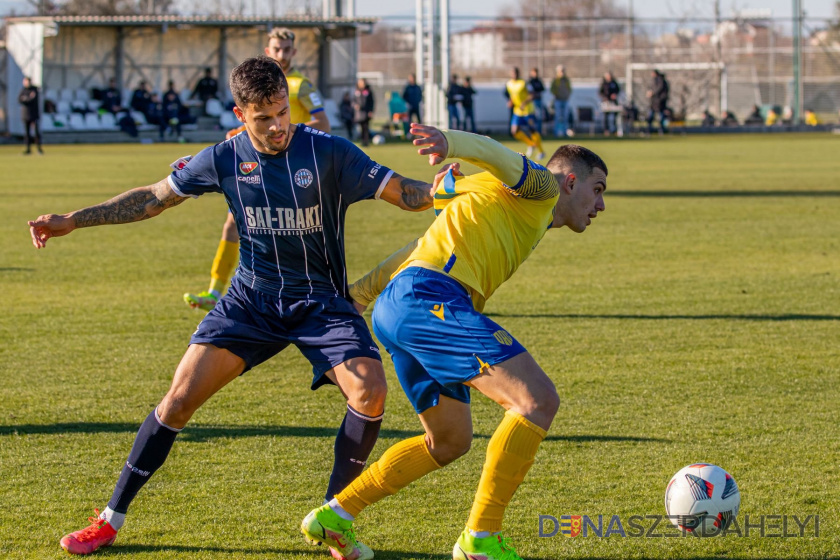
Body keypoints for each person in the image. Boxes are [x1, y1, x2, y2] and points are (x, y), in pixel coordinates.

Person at [30, 55, 438, 557]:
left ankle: (335, 517)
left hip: (321, 302)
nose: (277, 125)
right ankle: (109, 519)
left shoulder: (329, 152)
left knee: (370, 392)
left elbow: (405, 192)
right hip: (251, 301)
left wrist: (448, 191)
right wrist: (74, 219)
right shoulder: (224, 157)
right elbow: (153, 198)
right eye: (263, 117)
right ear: (239, 114)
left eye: (282, 112)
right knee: (178, 400)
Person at [301, 122, 607, 560]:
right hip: (431, 299)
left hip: (401, 305)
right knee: (536, 401)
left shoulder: (497, 199)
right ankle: (479, 539)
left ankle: (335, 515)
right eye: (597, 190)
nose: (600, 204)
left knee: (449, 441)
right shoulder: (542, 188)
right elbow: (497, 153)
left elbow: (420, 244)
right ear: (571, 181)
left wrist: (360, 295)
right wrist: (451, 142)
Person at [184, 26, 332, 312]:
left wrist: (284, 133)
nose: (282, 54)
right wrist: (242, 132)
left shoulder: (300, 85)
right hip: (257, 164)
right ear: (267, 51)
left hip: (291, 168)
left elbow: (323, 123)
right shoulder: (255, 84)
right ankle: (216, 290)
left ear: (294, 52)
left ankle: (308, 290)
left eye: (287, 49)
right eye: (276, 49)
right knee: (234, 223)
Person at [505, 66, 545, 159]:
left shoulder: (524, 83)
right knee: (514, 132)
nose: (514, 75)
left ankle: (541, 151)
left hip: (528, 110)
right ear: (511, 74)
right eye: (512, 73)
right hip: (517, 111)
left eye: (515, 73)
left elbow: (533, 94)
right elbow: (513, 94)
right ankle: (531, 144)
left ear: (518, 74)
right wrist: (510, 101)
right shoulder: (509, 84)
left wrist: (524, 103)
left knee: (532, 130)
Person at [18, 76, 43, 155]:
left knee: (36, 132)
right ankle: (28, 149)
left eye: (26, 81)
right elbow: (19, 100)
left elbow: (32, 100)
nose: (25, 83)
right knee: (27, 133)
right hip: (25, 115)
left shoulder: (34, 90)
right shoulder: (23, 90)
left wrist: (25, 99)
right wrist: (27, 98)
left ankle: (39, 149)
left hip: (33, 114)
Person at [550, 64, 572, 138]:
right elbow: (552, 89)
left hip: (565, 100)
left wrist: (567, 96)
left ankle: (565, 132)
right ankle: (556, 132)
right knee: (558, 117)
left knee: (565, 117)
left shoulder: (566, 80)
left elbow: (569, 89)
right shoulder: (556, 80)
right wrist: (556, 94)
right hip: (558, 100)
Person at [645, 70, 669, 134]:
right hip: (654, 102)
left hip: (659, 102)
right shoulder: (655, 81)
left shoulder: (660, 81)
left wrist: (652, 93)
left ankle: (661, 129)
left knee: (660, 116)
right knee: (651, 116)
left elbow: (659, 89)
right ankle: (651, 129)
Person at [354, 77, 375, 146]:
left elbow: (371, 102)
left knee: (366, 127)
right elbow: (353, 100)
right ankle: (362, 141)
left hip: (366, 112)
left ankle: (366, 141)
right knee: (361, 128)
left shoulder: (368, 91)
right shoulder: (357, 91)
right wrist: (355, 105)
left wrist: (371, 111)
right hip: (359, 113)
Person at [527, 67, 545, 134]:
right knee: (532, 118)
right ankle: (532, 132)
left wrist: (537, 94)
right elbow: (529, 91)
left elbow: (542, 89)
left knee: (539, 117)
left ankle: (539, 132)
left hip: (539, 101)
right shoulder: (530, 81)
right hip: (532, 102)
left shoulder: (539, 81)